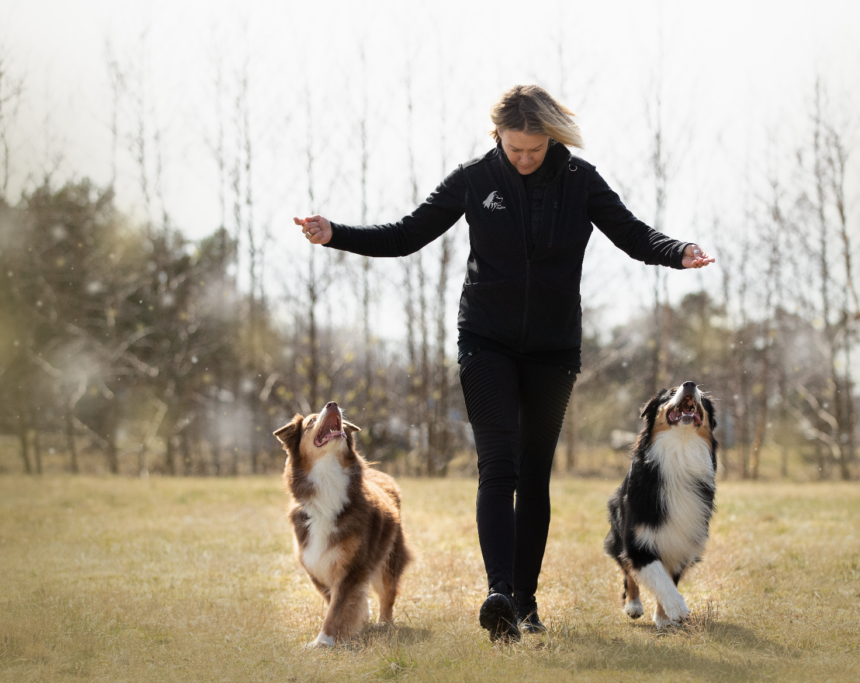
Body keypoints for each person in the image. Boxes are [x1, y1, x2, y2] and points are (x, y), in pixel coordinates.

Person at [293, 84, 714, 642]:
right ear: (499, 137)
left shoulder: (580, 181)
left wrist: (675, 251)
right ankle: (499, 595)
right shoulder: (475, 179)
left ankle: (526, 601)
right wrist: (336, 234)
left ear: (551, 139)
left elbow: (632, 232)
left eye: (534, 149)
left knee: (534, 475)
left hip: (553, 351)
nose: (523, 158)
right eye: (514, 148)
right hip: (485, 344)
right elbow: (406, 234)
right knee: (499, 467)